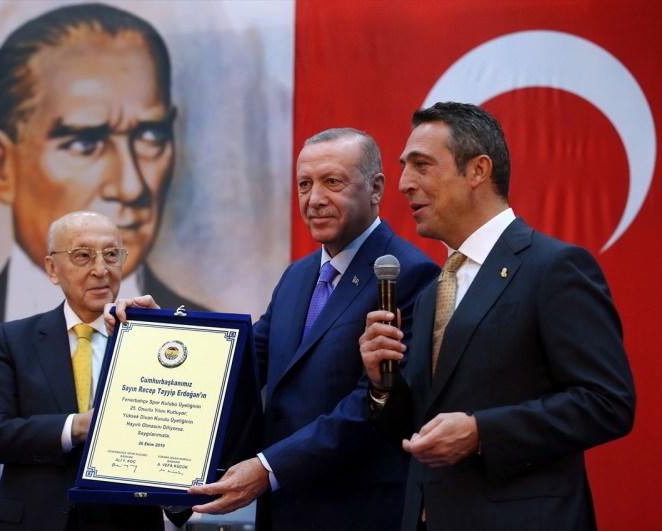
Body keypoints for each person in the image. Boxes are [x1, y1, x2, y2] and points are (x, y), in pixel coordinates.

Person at [0, 4, 203, 529]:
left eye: (150, 136)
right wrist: (76, 427)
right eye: (86, 141)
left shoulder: (179, 340)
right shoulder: (7, 340)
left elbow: (188, 454)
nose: (132, 185)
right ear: (1, 163)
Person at [112, 128, 439, 530]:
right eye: (304, 184)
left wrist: (268, 468)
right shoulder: (297, 276)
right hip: (283, 511)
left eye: (332, 182)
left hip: (357, 511)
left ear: (376, 188)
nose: (314, 199)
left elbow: (369, 406)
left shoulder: (410, 275)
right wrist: (161, 335)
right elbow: (238, 361)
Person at [359, 102, 636, 531]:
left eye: (422, 165)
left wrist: (481, 432)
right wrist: (382, 386)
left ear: (478, 171)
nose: (404, 183)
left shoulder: (554, 268)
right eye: (403, 167)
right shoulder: (434, 291)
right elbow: (422, 424)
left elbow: (607, 403)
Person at [0, 210, 165, 530]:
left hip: (127, 521)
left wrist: (162, 333)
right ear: (52, 268)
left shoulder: (146, 338)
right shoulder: (16, 340)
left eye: (111, 254)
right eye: (83, 256)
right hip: (34, 520)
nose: (101, 269)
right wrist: (75, 427)